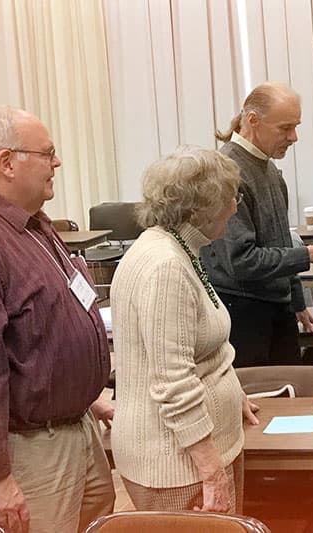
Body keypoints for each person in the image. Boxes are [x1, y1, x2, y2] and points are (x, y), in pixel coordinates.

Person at [0, 105, 114, 533]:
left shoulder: (32, 223)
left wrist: (85, 396)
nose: (57, 163)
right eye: (48, 153)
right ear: (6, 162)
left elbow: (41, 329)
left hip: (76, 430)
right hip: (29, 453)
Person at [111, 146, 259, 513]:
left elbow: (199, 347)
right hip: (177, 467)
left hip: (186, 459)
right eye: (231, 198)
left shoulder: (174, 248)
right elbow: (173, 381)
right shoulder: (165, 267)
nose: (235, 208)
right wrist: (212, 473)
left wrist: (231, 390)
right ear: (202, 207)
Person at [202, 83, 313, 367]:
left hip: (276, 307)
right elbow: (240, 261)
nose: (294, 137)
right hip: (244, 312)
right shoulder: (226, 171)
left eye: (296, 126)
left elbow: (280, 241)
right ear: (252, 120)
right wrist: (309, 255)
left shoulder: (270, 169)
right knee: (264, 397)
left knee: (288, 393)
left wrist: (296, 300)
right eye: (285, 128)